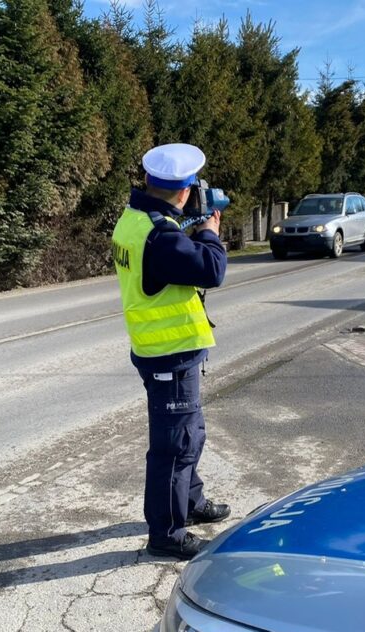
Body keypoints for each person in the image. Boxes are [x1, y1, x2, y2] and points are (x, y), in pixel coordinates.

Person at [112, 143, 231, 560]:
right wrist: (210, 233)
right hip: (169, 357)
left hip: (166, 353)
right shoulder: (159, 236)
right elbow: (212, 269)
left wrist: (188, 227)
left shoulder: (137, 220)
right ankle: (166, 534)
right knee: (173, 447)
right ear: (183, 191)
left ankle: (191, 502)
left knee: (190, 434)